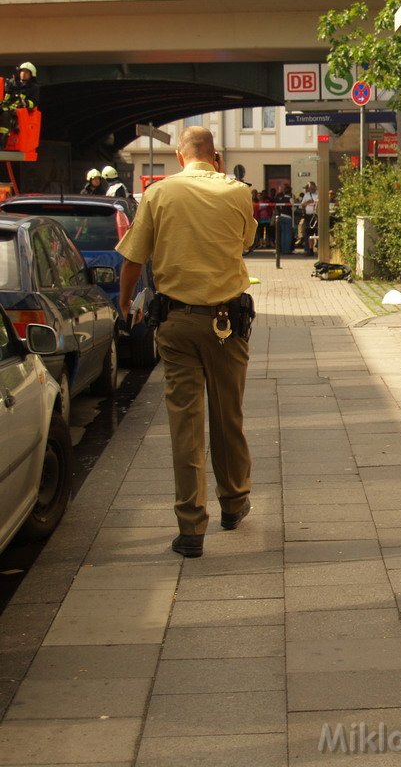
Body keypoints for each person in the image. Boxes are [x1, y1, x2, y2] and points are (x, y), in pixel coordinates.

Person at [115, 126, 257, 559]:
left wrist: (125, 304)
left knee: (185, 424)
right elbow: (246, 241)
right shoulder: (237, 192)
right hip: (225, 323)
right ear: (214, 158)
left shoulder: (158, 194)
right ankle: (233, 504)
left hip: (175, 323)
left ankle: (191, 528)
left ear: (180, 157)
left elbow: (134, 258)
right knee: (228, 414)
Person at [0, 62, 40, 149]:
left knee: (5, 115)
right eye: (22, 71)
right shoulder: (12, 82)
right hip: (6, 107)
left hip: (19, 111)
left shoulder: (34, 87)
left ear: (31, 75)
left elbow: (34, 102)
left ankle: (1, 143)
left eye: (26, 72)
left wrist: (25, 102)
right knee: (3, 111)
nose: (23, 74)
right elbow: (6, 98)